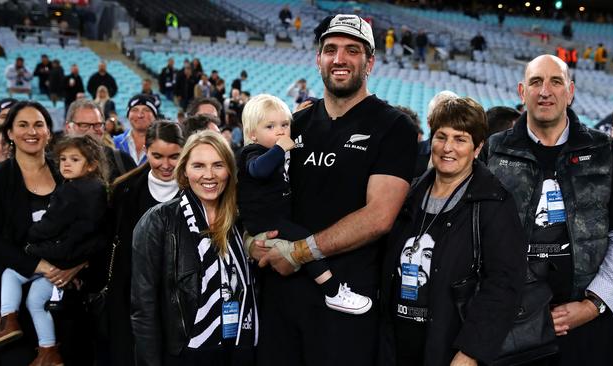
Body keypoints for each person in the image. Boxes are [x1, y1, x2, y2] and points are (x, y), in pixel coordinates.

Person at [250, 14, 417, 366]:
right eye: (330, 49)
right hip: (280, 296)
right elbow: (257, 192)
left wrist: (299, 252)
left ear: (369, 62)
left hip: (346, 298)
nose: (339, 59)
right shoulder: (296, 124)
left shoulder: (394, 127)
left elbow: (379, 217)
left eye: (351, 50)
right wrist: (253, 241)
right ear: (318, 59)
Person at [481, 55, 613, 365]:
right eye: (536, 82)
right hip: (509, 322)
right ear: (522, 92)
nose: (545, 91)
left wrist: (595, 303)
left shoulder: (605, 151)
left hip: (586, 324)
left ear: (571, 91)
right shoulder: (494, 150)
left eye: (555, 81)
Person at [379, 97, 526, 366]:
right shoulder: (407, 196)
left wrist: (471, 352)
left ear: (478, 146)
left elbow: (504, 285)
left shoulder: (494, 202)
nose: (448, 148)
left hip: (450, 350)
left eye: (461, 139)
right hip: (395, 346)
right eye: (441, 136)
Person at [131, 131, 258, 366]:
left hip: (239, 347)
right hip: (185, 353)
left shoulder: (242, 220)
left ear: (229, 170)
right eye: (198, 166)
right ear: (184, 170)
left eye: (218, 165)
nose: (209, 175)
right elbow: (143, 307)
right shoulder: (159, 221)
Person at [239, 94, 371, 313]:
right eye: (270, 126)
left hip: (276, 218)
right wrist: (280, 148)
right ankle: (332, 291)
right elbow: (258, 170)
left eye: (284, 125)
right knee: (307, 242)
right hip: (266, 221)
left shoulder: (273, 152)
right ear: (252, 134)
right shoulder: (252, 152)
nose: (280, 131)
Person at [0, 101, 93, 365]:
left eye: (38, 124)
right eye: (22, 125)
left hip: (67, 298)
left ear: (48, 131)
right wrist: (42, 266)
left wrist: (77, 265)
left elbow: (94, 228)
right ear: (9, 133)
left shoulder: (69, 172)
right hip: (11, 302)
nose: (31, 131)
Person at [104, 121, 184, 366]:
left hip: (181, 303)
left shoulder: (198, 191)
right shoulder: (124, 190)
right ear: (146, 150)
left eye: (174, 157)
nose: (166, 165)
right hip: (131, 298)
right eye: (157, 156)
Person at [64, 99, 136, 183]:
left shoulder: (122, 161)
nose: (91, 131)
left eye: (97, 125)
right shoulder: (53, 165)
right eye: (84, 125)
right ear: (68, 127)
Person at [113, 94, 159, 165]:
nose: (140, 115)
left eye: (146, 110)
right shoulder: (115, 143)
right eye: (135, 110)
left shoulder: (163, 144)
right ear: (128, 116)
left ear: (155, 116)